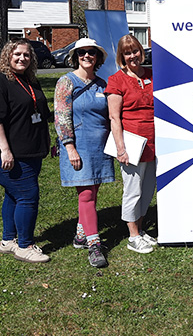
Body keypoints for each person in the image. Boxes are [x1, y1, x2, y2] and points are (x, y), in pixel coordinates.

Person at [0, 39, 52, 263]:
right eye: (17, 54)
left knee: (14, 194)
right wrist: (5, 150)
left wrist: (50, 142)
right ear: (7, 56)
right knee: (27, 195)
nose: (22, 58)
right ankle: (24, 246)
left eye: (27, 55)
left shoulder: (30, 81)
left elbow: (41, 116)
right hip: (4, 155)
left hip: (30, 153)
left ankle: (8, 240)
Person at [54, 38, 115, 268]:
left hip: (100, 146)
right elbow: (61, 116)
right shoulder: (66, 82)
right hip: (79, 146)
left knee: (93, 191)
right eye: (82, 53)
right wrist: (69, 146)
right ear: (75, 56)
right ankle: (94, 244)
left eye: (91, 53)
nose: (87, 56)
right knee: (86, 194)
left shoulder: (102, 84)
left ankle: (80, 234)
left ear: (98, 57)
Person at [105, 34, 158, 254]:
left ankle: (142, 229)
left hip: (155, 141)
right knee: (133, 190)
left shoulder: (153, 74)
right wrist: (121, 148)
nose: (132, 56)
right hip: (133, 142)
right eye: (127, 53)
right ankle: (133, 235)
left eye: (135, 50)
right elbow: (114, 118)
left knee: (147, 189)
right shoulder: (116, 80)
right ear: (121, 56)